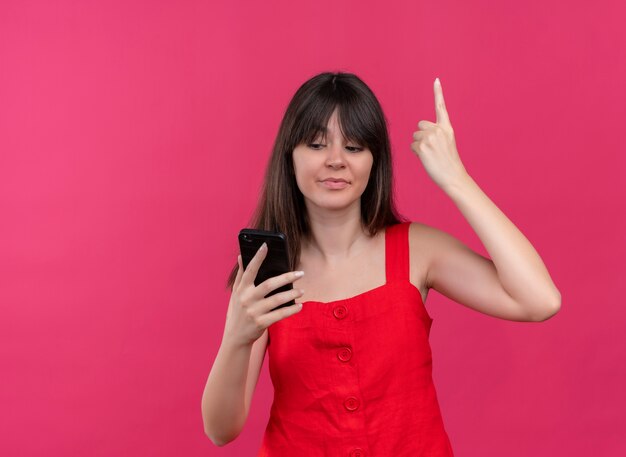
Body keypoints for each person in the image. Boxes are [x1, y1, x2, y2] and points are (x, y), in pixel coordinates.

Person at [201, 71, 561, 456]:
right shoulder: (265, 269)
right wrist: (236, 338)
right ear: (289, 156)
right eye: (317, 144)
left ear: (376, 161)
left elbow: (540, 300)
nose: (336, 160)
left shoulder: (417, 249)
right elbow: (221, 429)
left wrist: (457, 180)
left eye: (354, 147)